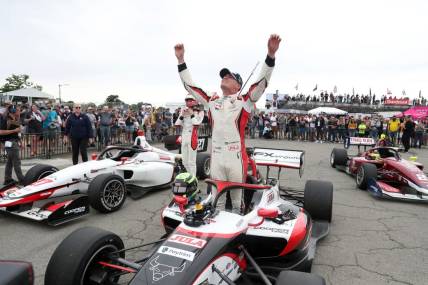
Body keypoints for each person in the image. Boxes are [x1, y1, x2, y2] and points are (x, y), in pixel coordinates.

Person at [174, 34, 281, 210]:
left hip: (236, 159)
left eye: (229, 76)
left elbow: (261, 83)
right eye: (223, 76)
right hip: (216, 157)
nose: (224, 77)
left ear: (238, 85)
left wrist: (270, 55)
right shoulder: (211, 101)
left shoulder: (245, 101)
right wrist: (181, 60)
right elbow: (190, 87)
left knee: (237, 202)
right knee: (217, 202)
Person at [174, 94, 204, 176]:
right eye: (187, 100)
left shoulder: (200, 111)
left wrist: (191, 114)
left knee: (191, 161)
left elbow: (196, 123)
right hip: (184, 136)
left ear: (195, 101)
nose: (188, 102)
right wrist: (182, 115)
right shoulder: (183, 110)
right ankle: (189, 176)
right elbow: (176, 124)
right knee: (184, 161)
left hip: (192, 137)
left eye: (190, 100)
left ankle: (193, 179)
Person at [0, 105, 25, 184]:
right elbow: (1, 132)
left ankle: (7, 179)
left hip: (14, 142)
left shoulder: (15, 119)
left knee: (10, 162)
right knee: (16, 162)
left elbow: (17, 133)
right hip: (10, 143)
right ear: (13, 111)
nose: (19, 112)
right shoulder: (6, 120)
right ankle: (21, 179)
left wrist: (21, 142)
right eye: (17, 110)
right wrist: (14, 130)